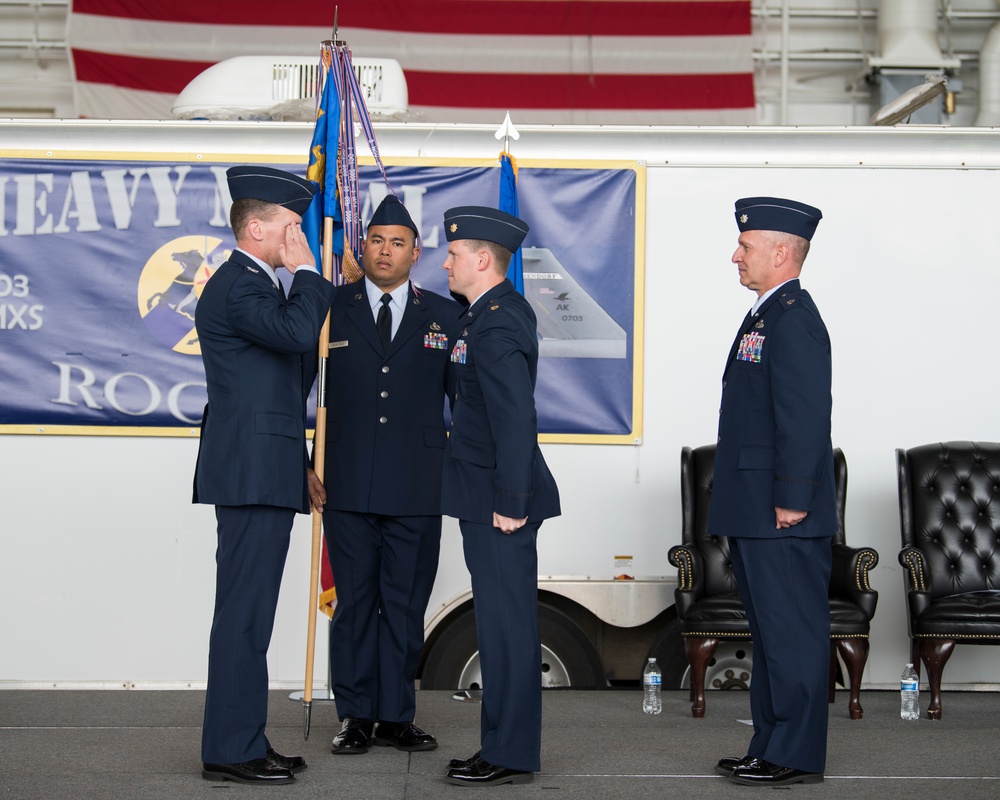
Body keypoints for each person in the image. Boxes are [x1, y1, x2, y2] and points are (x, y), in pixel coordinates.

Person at [193, 165, 334, 786]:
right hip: (249, 473)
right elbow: (300, 332)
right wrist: (311, 275)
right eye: (291, 228)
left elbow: (280, 385)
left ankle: (243, 738)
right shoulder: (239, 285)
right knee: (244, 616)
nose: (298, 239)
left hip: (268, 466)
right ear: (256, 228)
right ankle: (230, 749)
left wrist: (299, 462)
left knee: (251, 615)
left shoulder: (257, 287)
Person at [306, 195, 462, 755]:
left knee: (403, 606)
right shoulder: (328, 307)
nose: (386, 251)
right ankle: (354, 715)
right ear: (362, 247)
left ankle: (396, 714)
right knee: (353, 607)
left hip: (418, 487)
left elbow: (464, 404)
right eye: (377, 240)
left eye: (398, 243)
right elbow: (295, 390)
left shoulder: (444, 315)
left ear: (416, 253)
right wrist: (305, 464)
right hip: (344, 483)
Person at [708, 197, 835, 787]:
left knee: (792, 635)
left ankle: (796, 753)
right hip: (755, 507)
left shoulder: (794, 317)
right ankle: (770, 743)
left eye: (747, 246)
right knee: (770, 635)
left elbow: (805, 416)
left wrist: (793, 496)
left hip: (781, 510)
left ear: (782, 252)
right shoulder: (766, 314)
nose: (736, 255)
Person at [439, 206, 560, 788]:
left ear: (483, 259)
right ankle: (501, 745)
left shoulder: (499, 319)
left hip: (500, 501)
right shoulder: (479, 316)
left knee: (508, 629)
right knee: (498, 626)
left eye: (455, 254)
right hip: (482, 493)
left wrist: (511, 500)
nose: (446, 262)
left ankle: (509, 753)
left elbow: (516, 418)